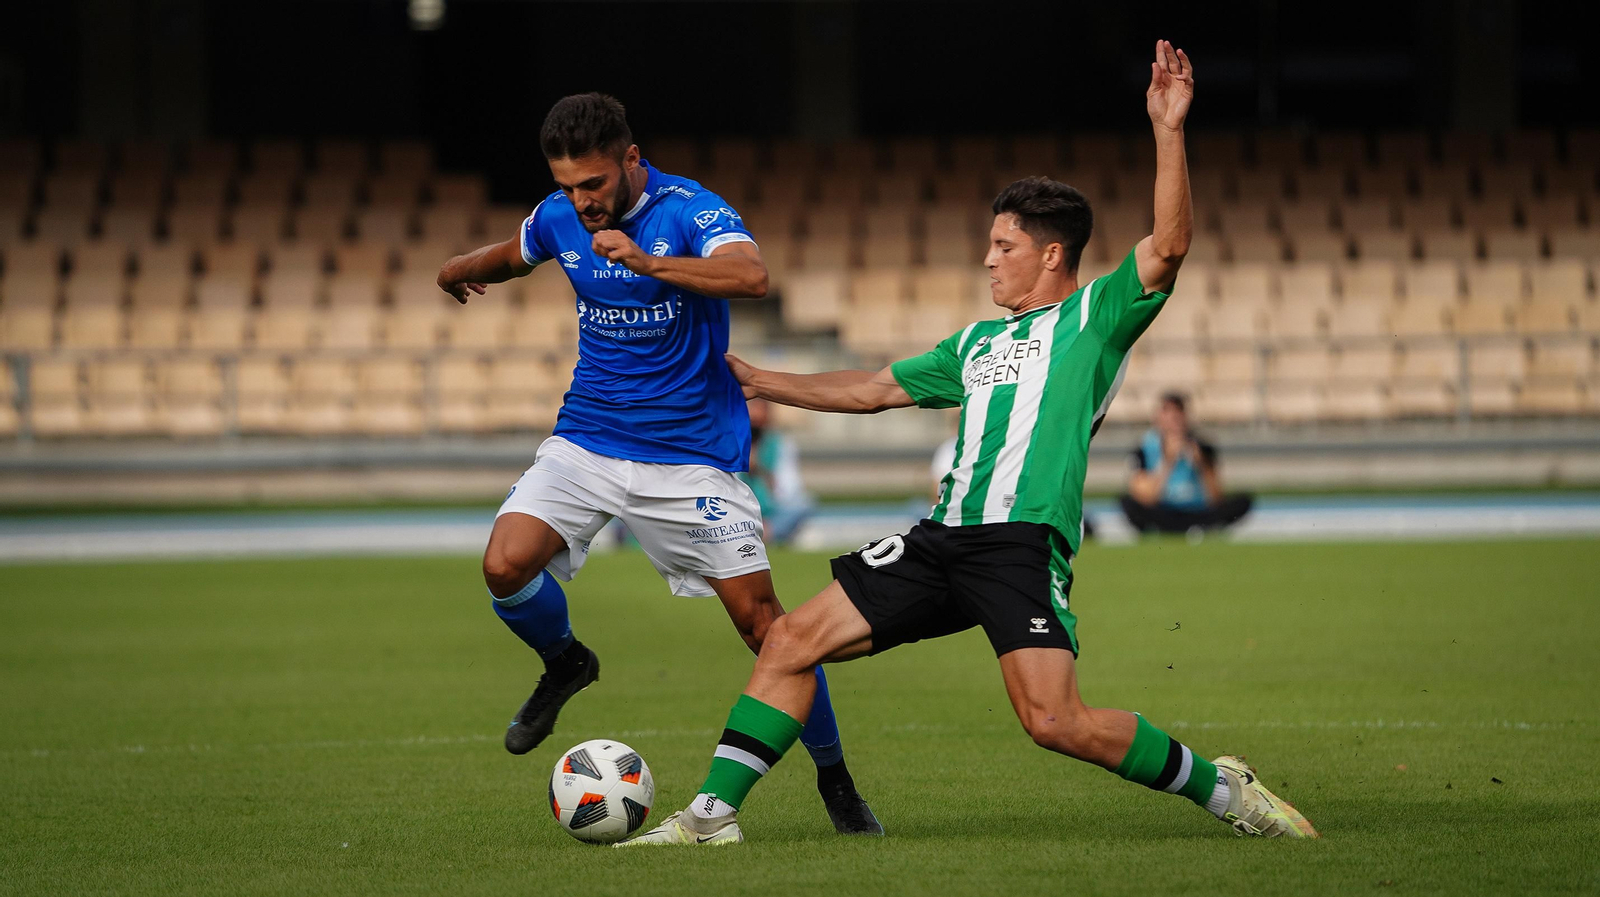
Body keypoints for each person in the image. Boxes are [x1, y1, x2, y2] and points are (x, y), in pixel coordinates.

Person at [623, 42, 1317, 847]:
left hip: (1019, 546)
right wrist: (759, 379)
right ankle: (712, 816)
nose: (988, 258)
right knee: (788, 638)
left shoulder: (1095, 319)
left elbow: (1167, 247)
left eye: (1004, 246)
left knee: (1054, 719)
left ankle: (1222, 787)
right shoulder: (976, 344)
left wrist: (1167, 130)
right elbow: (876, 388)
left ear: (1051, 254)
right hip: (939, 538)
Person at [434, 93, 880, 834]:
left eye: (595, 185)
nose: (581, 202)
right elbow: (516, 255)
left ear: (631, 161)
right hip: (588, 438)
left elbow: (752, 276)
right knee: (504, 565)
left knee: (768, 627)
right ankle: (567, 660)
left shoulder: (688, 210)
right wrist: (457, 267)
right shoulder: (558, 216)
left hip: (690, 457)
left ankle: (836, 781)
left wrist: (646, 260)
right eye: (569, 186)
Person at [1120, 392, 1254, 534]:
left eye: (1178, 413)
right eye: (1168, 413)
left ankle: (1199, 528)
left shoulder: (1202, 447)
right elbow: (1144, 496)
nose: (1173, 419)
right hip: (1164, 510)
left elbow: (1216, 496)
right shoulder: (1145, 449)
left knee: (1242, 502)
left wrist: (1201, 463)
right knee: (1128, 504)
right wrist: (1168, 462)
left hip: (1197, 510)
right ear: (1158, 418)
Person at [739, 398, 814, 546]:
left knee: (804, 504)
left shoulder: (780, 443)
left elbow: (789, 486)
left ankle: (767, 533)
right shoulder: (733, 442)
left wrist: (761, 471)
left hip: (771, 509)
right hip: (741, 508)